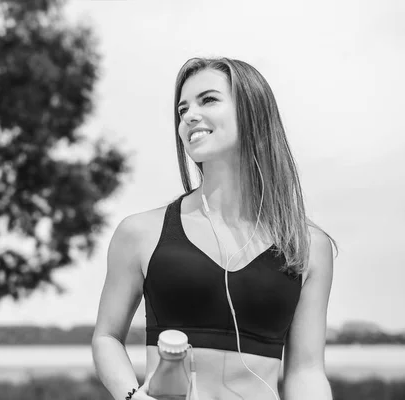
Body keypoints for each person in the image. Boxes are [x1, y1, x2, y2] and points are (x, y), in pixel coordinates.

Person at [91, 57, 337, 400]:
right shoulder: (140, 233)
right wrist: (132, 397)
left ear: (253, 111)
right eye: (182, 109)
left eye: (208, 100)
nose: (189, 116)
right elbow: (106, 338)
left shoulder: (308, 245)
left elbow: (306, 372)